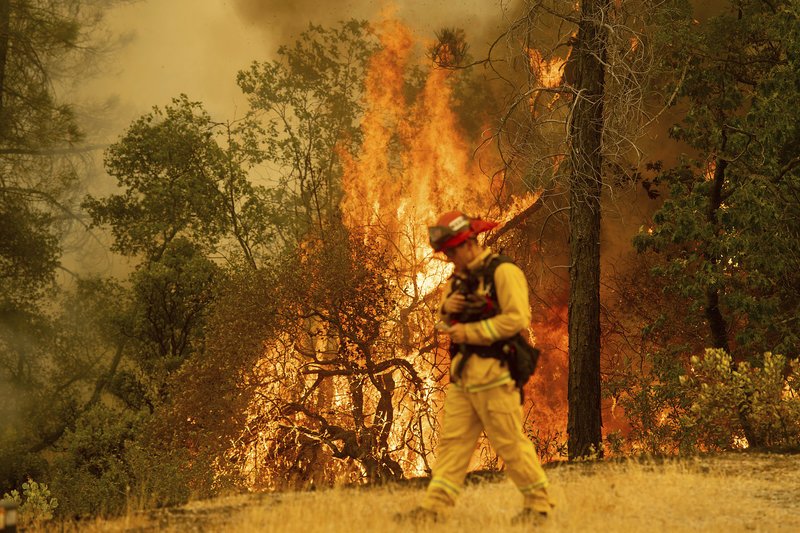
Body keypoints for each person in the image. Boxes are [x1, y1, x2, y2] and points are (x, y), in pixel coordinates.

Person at [398, 210, 554, 525]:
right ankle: (435, 509)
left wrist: (471, 333)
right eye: (447, 252)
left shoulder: (504, 272)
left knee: (509, 443)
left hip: (495, 375)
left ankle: (539, 506)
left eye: (454, 250)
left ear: (470, 242)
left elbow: (517, 318)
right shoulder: (456, 280)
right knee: (452, 445)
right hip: (463, 379)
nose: (451, 257)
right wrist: (446, 309)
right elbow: (444, 323)